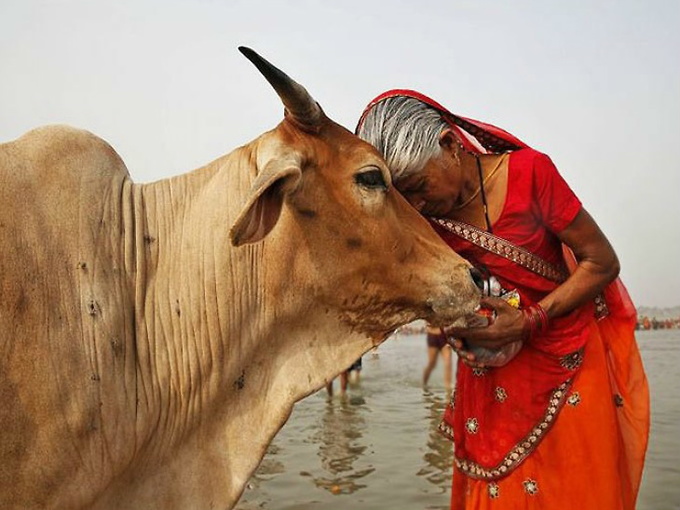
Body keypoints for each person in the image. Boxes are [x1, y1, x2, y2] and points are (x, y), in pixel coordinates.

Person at [356, 90, 649, 510]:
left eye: (420, 187)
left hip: (567, 356)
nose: (418, 205)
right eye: (407, 198)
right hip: (491, 372)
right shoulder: (428, 220)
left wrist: (528, 322)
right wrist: (456, 325)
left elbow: (601, 262)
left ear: (450, 145)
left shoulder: (531, 175)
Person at [424, 323, 453, 389]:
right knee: (432, 364)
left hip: (445, 336)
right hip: (433, 334)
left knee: (448, 363)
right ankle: (424, 384)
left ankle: (448, 388)